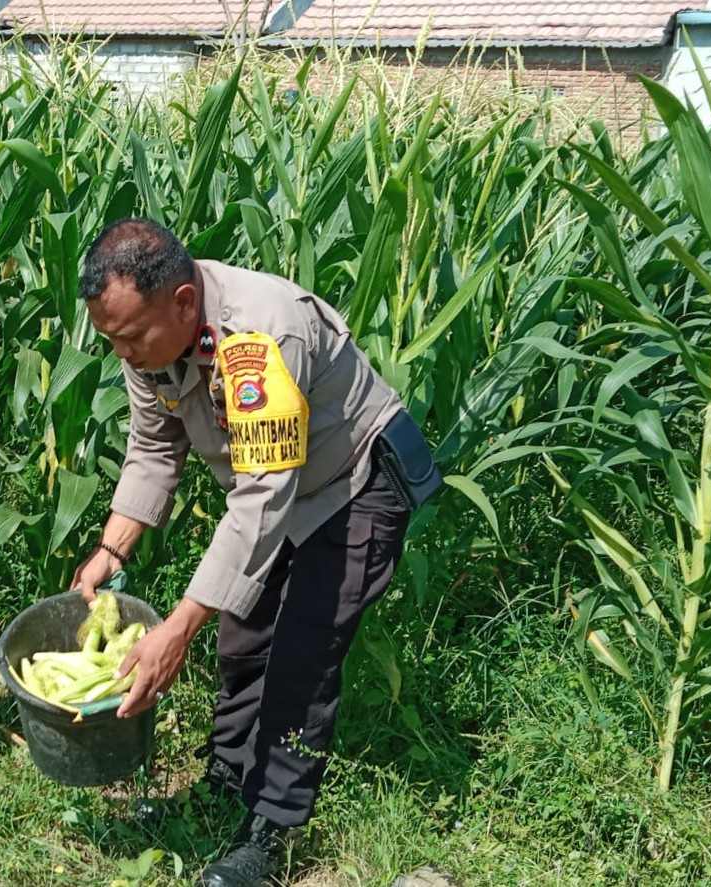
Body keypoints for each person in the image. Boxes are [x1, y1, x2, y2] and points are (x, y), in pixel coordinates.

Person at [71, 219, 441, 887]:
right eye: (109, 338)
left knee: (304, 649)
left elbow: (261, 499)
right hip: (277, 487)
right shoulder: (146, 341)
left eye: (130, 336)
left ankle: (271, 832)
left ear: (184, 302)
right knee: (243, 636)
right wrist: (110, 549)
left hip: (353, 481)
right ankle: (226, 778)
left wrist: (177, 626)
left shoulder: (260, 333)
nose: (121, 352)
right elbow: (154, 450)